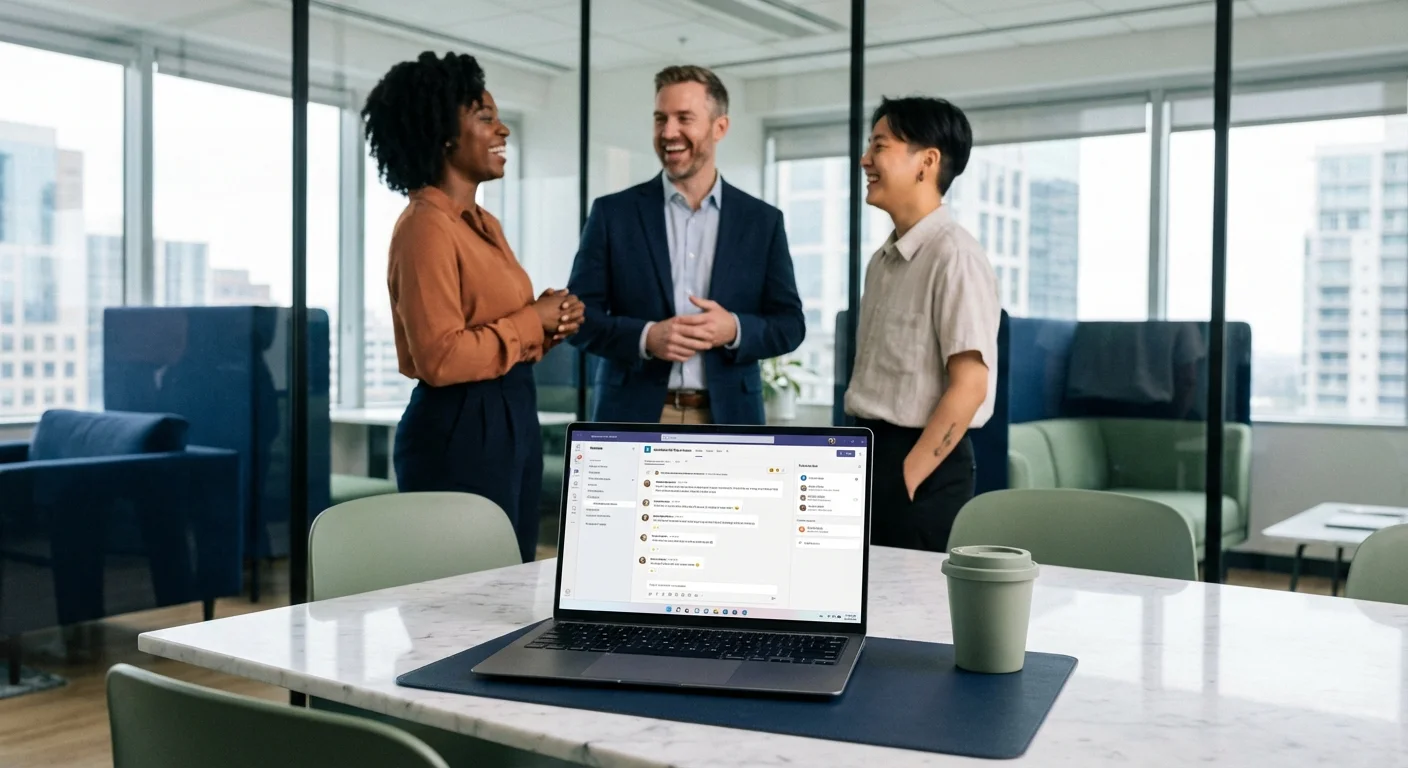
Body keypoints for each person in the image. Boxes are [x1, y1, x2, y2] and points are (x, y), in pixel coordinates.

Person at [363, 52, 584, 563]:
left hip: (512, 412)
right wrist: (531, 321)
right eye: (485, 117)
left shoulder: (484, 224)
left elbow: (496, 330)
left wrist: (549, 322)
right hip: (460, 426)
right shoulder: (425, 225)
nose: (502, 129)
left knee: (510, 579)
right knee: (467, 589)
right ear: (444, 133)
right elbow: (441, 358)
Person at [567, 65, 805, 425]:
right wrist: (646, 337)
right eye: (660, 119)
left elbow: (790, 325)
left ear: (719, 127)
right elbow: (577, 319)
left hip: (728, 419)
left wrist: (734, 329)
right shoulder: (612, 214)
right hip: (634, 415)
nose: (668, 132)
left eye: (684, 118)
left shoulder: (762, 221)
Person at [844, 97, 1000, 553]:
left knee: (909, 599)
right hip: (870, 455)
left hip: (920, 467)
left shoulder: (955, 256)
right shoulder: (883, 261)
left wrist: (906, 478)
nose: (865, 160)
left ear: (927, 162)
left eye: (880, 146)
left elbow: (971, 386)